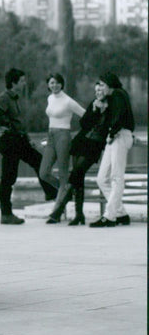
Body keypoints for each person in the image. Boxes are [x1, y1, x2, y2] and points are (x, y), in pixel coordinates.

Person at [0, 68, 59, 225]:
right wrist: (7, 126)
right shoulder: (4, 98)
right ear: (14, 83)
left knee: (40, 162)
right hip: (10, 141)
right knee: (8, 178)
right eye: (22, 81)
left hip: (19, 140)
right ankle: (6, 214)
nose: (24, 83)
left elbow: (17, 123)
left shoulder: (14, 98)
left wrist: (27, 139)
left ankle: (51, 193)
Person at [46, 81, 109, 226]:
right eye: (96, 91)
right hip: (81, 142)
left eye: (101, 91)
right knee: (78, 178)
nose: (98, 93)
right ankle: (79, 214)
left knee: (76, 172)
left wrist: (102, 110)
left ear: (106, 91)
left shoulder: (111, 106)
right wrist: (93, 109)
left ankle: (59, 209)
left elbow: (105, 127)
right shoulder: (94, 103)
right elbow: (84, 124)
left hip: (94, 146)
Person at [90, 72, 135, 227]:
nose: (99, 87)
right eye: (98, 85)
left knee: (116, 177)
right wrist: (99, 107)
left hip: (119, 135)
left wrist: (112, 132)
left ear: (110, 84)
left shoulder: (118, 95)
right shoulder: (111, 98)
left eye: (102, 84)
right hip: (115, 136)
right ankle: (121, 214)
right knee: (101, 179)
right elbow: (100, 123)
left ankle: (109, 217)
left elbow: (121, 117)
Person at [40, 73, 86, 223]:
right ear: (48, 84)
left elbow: (86, 115)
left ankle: (56, 212)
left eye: (58, 83)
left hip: (63, 137)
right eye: (52, 83)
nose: (55, 85)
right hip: (51, 135)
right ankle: (65, 190)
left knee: (63, 174)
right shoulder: (50, 98)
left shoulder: (68, 101)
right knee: (44, 173)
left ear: (62, 84)